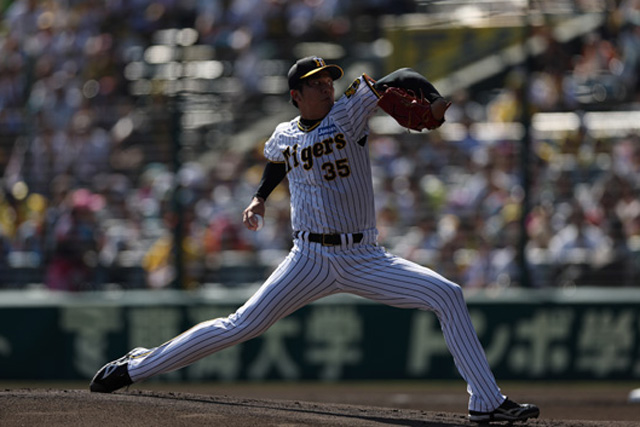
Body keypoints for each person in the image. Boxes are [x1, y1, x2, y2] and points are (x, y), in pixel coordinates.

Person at [90, 56, 539, 424]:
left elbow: (400, 76)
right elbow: (277, 160)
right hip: (308, 258)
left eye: (328, 81)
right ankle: (136, 367)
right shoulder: (284, 133)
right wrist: (259, 198)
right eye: (316, 83)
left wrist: (435, 100)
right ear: (296, 96)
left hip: (363, 256)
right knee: (241, 325)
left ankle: (486, 402)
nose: (326, 88)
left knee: (447, 294)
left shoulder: (348, 112)